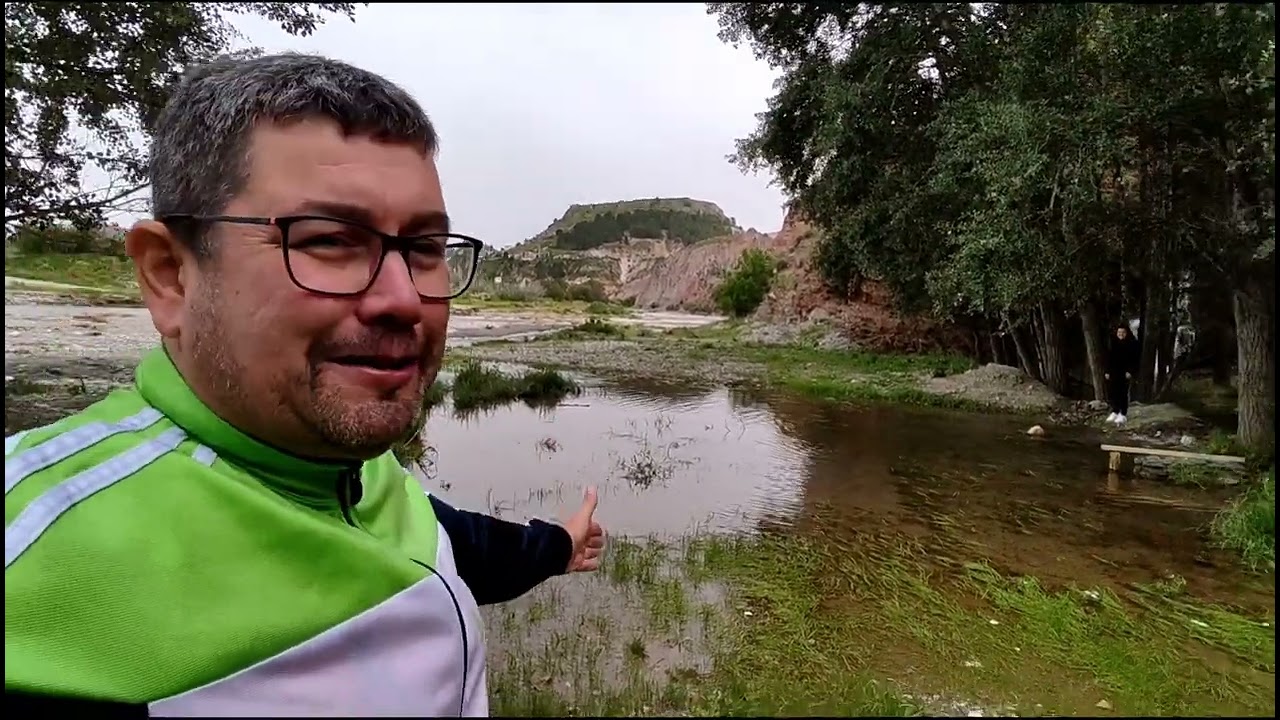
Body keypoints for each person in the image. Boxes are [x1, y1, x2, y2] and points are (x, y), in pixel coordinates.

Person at [4, 53, 606, 717]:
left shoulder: (355, 476)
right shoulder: (28, 553)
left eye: (426, 249)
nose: (404, 300)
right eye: (327, 241)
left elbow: (452, 545)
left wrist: (559, 545)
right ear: (170, 276)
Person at [1104, 323, 1140, 425]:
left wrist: (1130, 371)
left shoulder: (1132, 344)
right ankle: (1115, 411)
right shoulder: (1113, 343)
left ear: (1127, 333)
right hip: (1114, 371)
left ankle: (1123, 413)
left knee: (1123, 392)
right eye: (1119, 332)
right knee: (1113, 391)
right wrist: (1107, 371)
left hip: (1125, 372)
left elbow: (1135, 360)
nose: (1121, 334)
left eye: (1123, 332)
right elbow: (1109, 358)